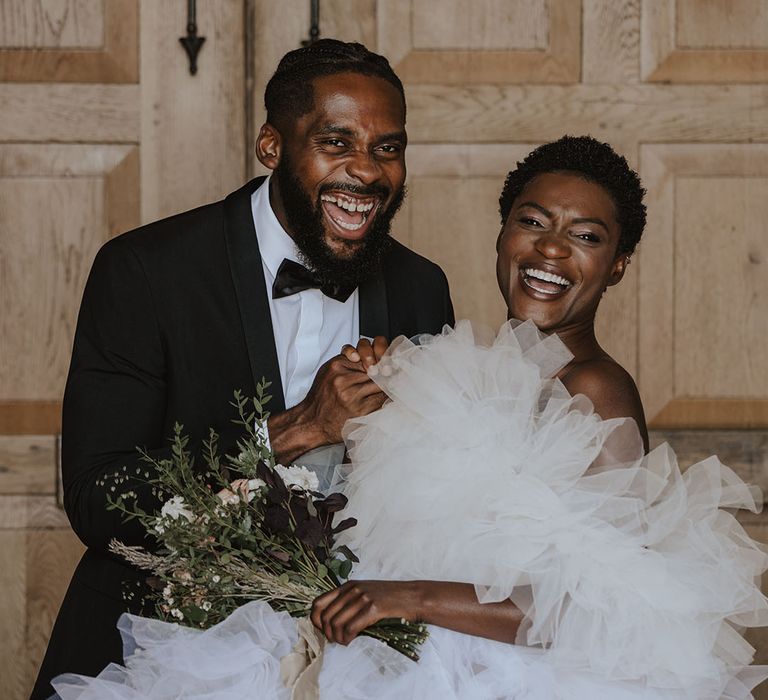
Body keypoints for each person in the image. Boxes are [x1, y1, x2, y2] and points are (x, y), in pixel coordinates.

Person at [49, 138, 768, 699]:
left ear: (617, 265)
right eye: (533, 222)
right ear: (501, 235)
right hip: (391, 660)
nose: (551, 250)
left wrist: (405, 597)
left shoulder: (598, 392)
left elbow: (593, 606)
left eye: (586, 236)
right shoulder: (469, 363)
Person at [31, 39, 454, 700]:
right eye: (335, 142)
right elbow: (96, 495)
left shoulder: (421, 287)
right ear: (272, 147)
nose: (367, 173)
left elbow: (433, 500)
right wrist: (297, 428)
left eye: (388, 148)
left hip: (351, 659)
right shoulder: (145, 271)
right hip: (154, 645)